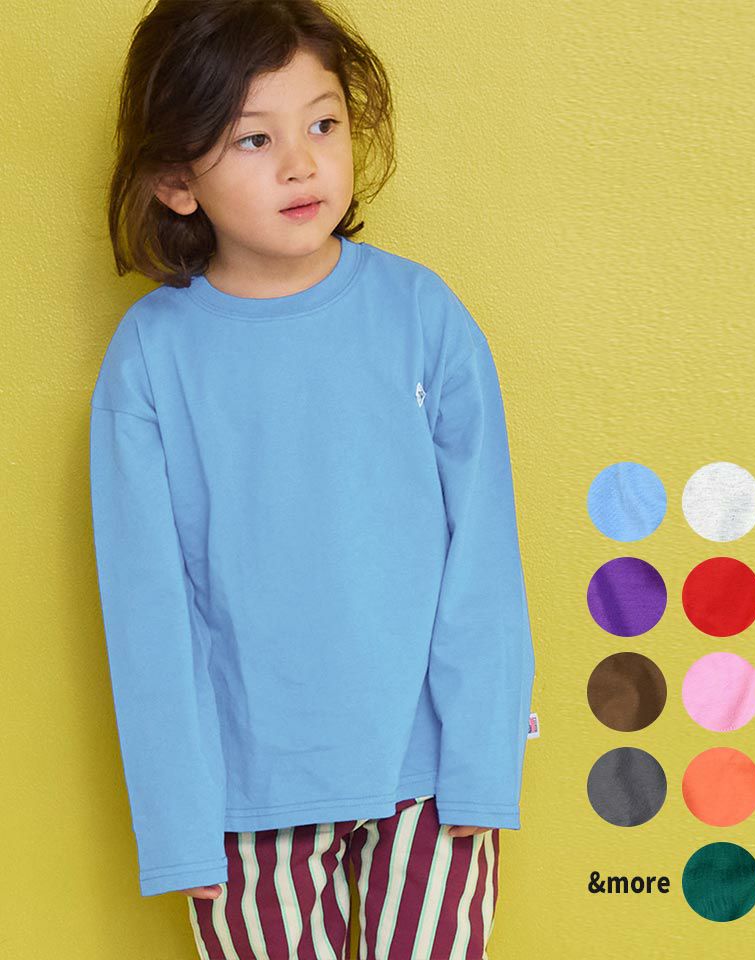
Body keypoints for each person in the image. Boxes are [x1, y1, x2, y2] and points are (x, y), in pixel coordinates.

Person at [89, 1, 536, 957]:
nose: (302, 163)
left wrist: (482, 764)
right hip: (244, 797)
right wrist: (177, 822)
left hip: (429, 781)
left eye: (323, 124)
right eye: (254, 138)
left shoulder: (424, 316)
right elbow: (146, 609)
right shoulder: (151, 358)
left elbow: (484, 561)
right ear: (175, 180)